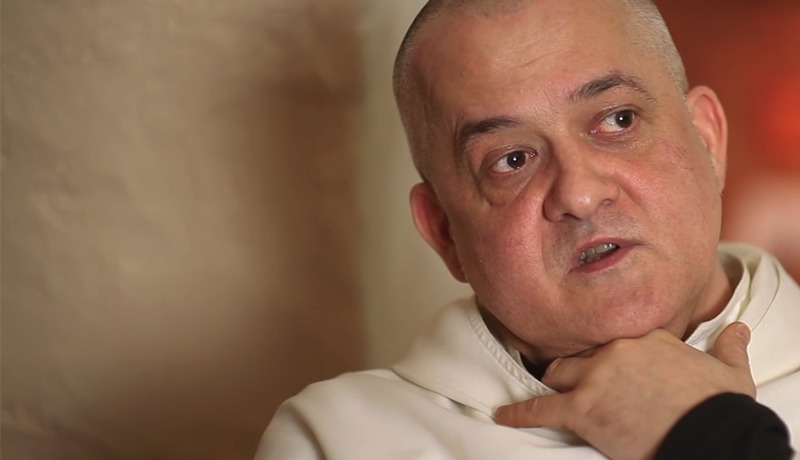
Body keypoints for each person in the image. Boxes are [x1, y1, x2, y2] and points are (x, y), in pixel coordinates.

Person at [255, 0, 800, 458]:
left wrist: (713, 437)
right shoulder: (338, 440)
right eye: (512, 160)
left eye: (618, 120)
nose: (579, 194)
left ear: (707, 140)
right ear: (444, 233)